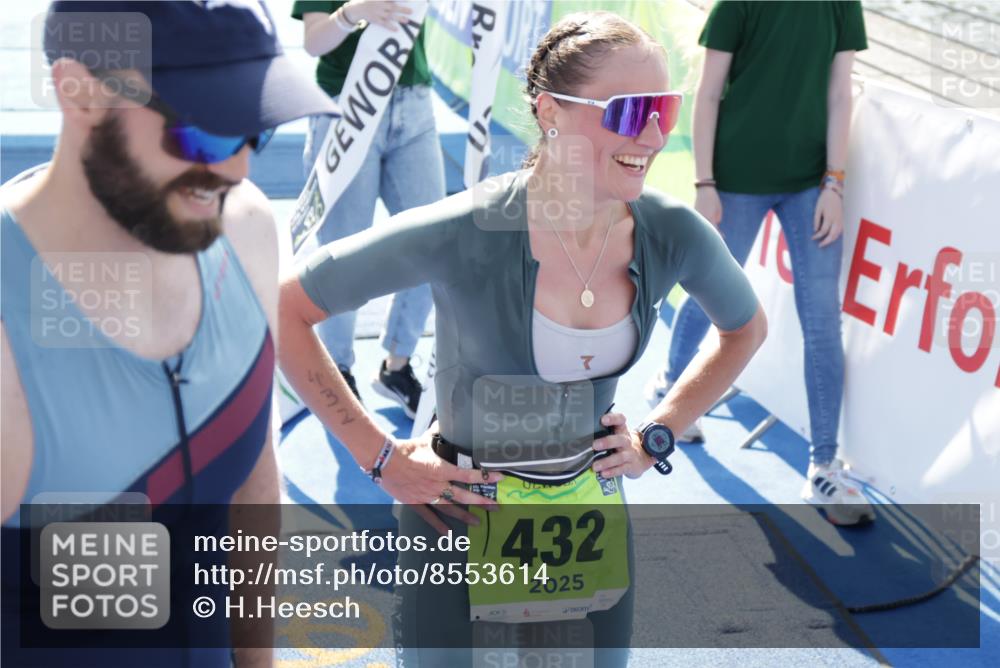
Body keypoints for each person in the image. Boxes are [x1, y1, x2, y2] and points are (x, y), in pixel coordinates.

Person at [279, 11, 766, 666]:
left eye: (665, 110)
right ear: (550, 113)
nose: (652, 134)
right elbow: (287, 310)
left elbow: (744, 329)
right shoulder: (466, 226)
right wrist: (382, 460)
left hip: (586, 525)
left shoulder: (670, 232)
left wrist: (660, 432)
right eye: (628, 112)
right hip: (456, 523)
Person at [0, 2, 340, 666]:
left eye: (254, 131)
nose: (237, 168)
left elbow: (253, 484)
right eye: (205, 130)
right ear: (79, 92)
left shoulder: (243, 231)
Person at [644, 0, 874, 525]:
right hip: (735, 181)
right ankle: (669, 392)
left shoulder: (842, 5)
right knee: (707, 296)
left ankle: (823, 467)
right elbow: (706, 93)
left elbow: (841, 96)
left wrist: (834, 184)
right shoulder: (737, 5)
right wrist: (704, 184)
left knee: (821, 321)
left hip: (810, 185)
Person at [292, 0, 447, 418]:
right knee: (344, 252)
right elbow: (313, 42)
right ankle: (336, 370)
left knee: (435, 240)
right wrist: (352, 12)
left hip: (414, 104)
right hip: (349, 106)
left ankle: (397, 365)